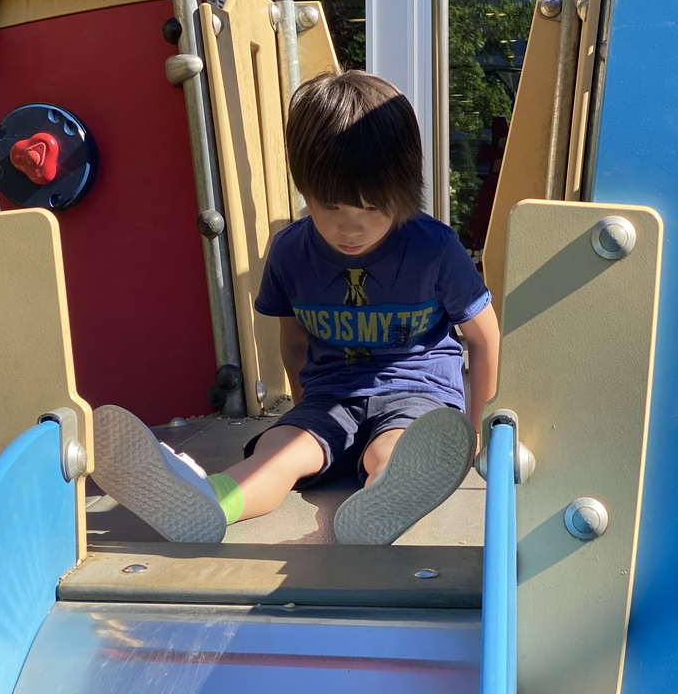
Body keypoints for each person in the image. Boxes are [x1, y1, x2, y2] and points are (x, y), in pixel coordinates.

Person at [92, 71, 500, 545]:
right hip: (330, 397)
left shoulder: (434, 249)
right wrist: (304, 416)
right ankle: (205, 499)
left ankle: (385, 499)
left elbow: (482, 335)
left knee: (394, 449)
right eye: (331, 208)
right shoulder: (290, 252)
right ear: (304, 188)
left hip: (416, 392)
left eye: (371, 209)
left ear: (404, 190)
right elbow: (295, 341)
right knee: (279, 452)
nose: (351, 229)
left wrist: (476, 433)